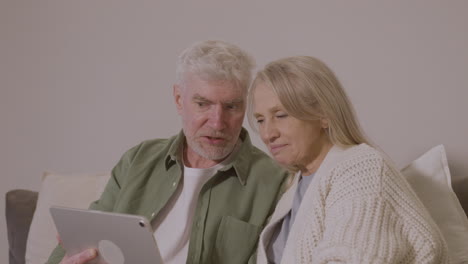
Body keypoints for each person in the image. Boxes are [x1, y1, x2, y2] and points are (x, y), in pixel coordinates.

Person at [47, 40, 288, 264]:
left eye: (231, 106)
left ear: (245, 106)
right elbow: (89, 230)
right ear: (178, 99)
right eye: (203, 104)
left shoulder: (273, 181)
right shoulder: (139, 158)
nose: (217, 122)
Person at [249, 56, 449, 263]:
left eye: (280, 115)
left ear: (324, 115)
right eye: (260, 120)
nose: (266, 134)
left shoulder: (362, 167)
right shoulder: (294, 188)